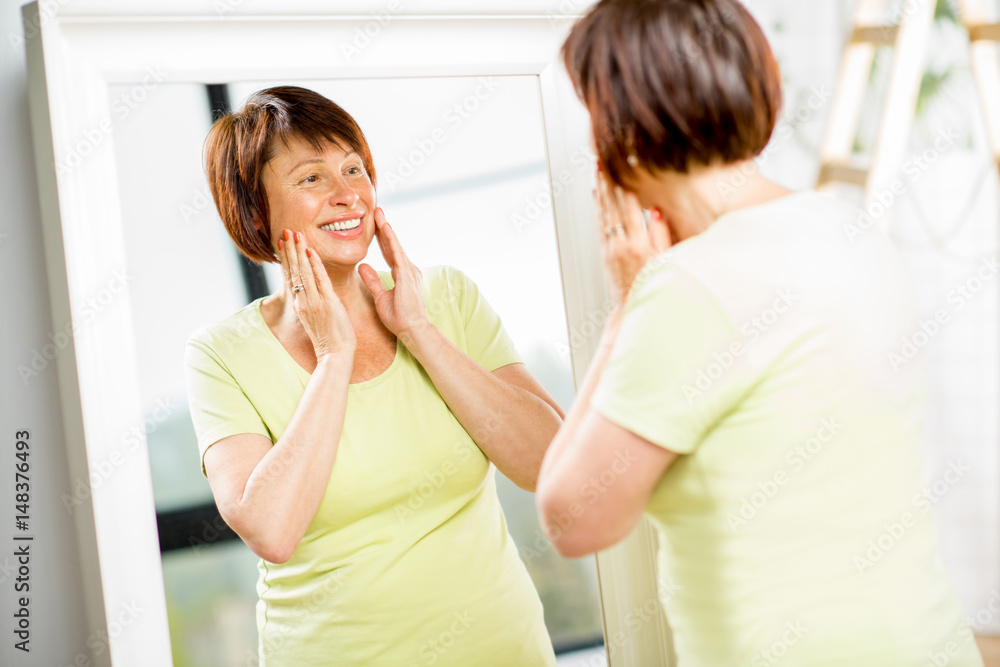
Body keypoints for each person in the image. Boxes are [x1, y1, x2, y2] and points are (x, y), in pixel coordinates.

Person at [535, 1, 984, 666]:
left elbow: (573, 519)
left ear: (621, 130)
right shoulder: (847, 227)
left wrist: (626, 306)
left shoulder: (686, 288)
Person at [182, 85, 563, 666]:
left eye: (354, 169)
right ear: (254, 208)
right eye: (311, 178)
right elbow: (273, 530)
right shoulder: (219, 355)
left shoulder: (445, 297)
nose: (347, 195)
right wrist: (333, 356)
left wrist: (419, 332)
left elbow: (549, 465)